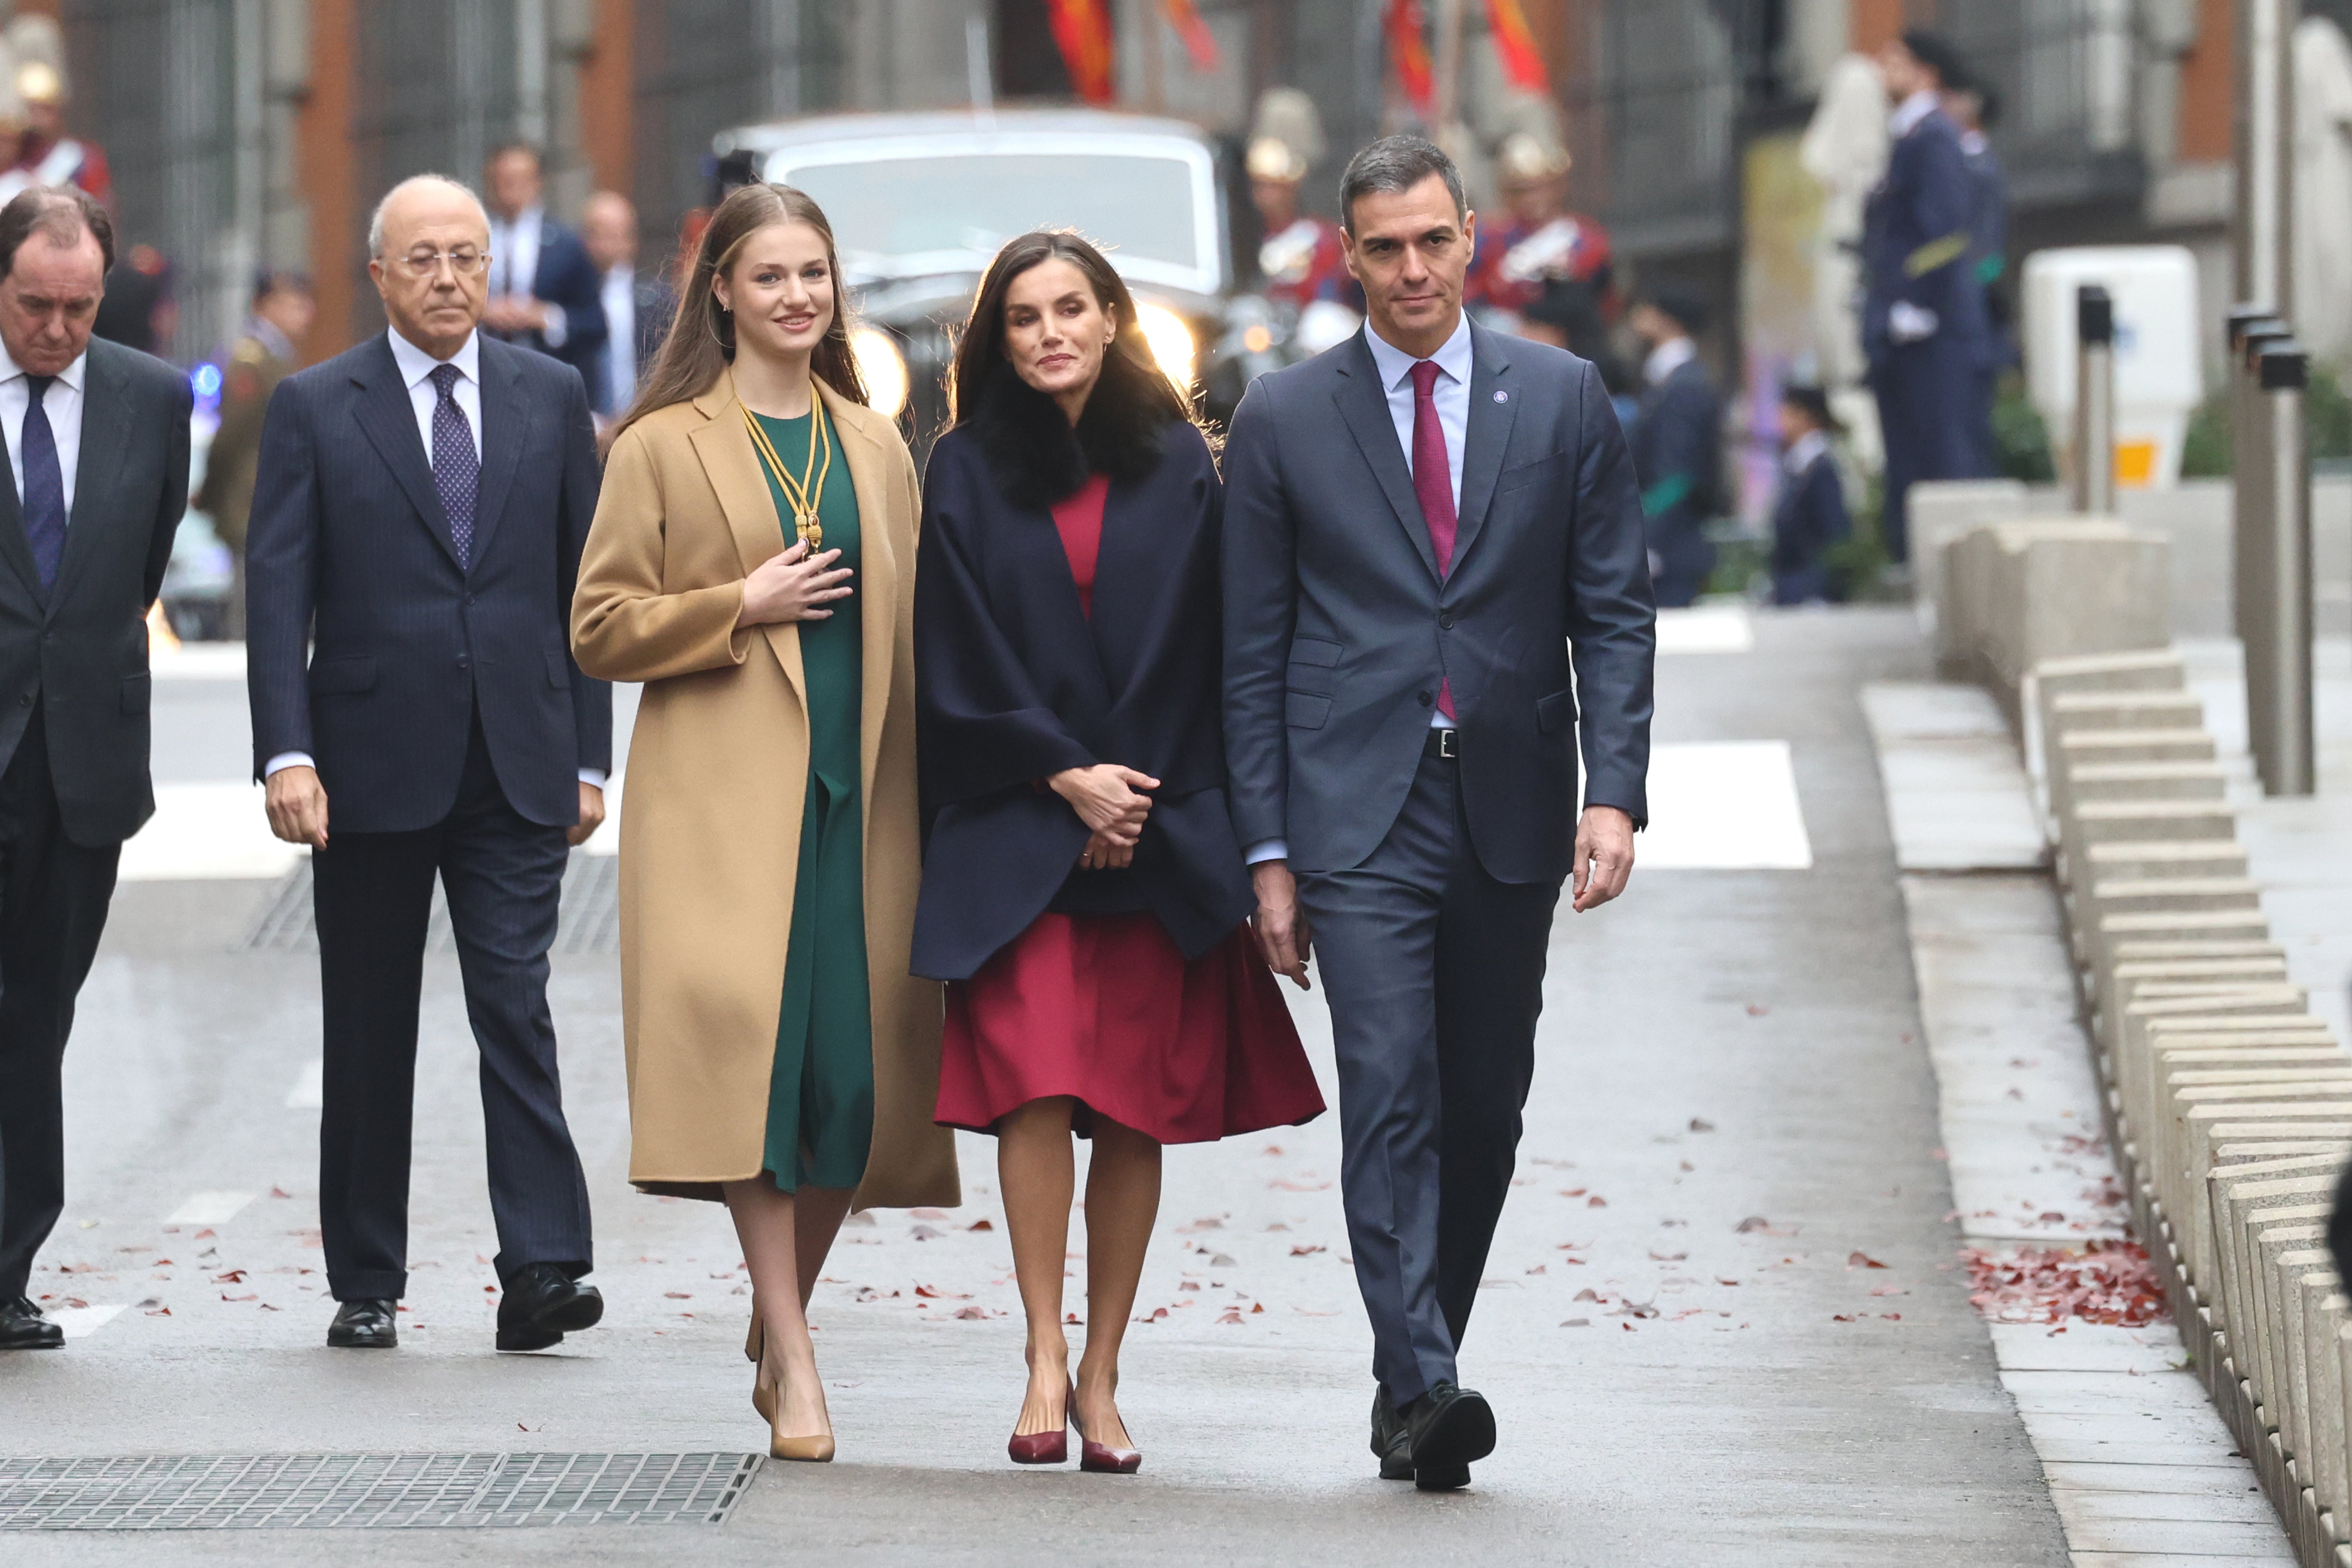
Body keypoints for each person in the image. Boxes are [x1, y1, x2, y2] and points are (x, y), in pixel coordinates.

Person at [1223, 136, 1654, 1491]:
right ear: (1346, 257)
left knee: (1485, 1106)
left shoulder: (1566, 395)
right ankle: (1424, 1379)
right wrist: (1269, 855)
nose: (1412, 269)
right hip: (1355, 814)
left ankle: (1412, 1374)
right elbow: (1251, 650)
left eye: (1432, 241)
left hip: (1513, 805)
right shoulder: (1288, 415)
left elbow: (1614, 611)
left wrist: (1616, 793)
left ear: (1470, 238)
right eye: (1384, 247)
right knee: (1392, 1091)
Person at [914, 231, 1325, 1474]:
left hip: (1156, 824)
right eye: (1025, 315)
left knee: (1134, 1108)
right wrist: (1063, 779)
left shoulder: (1184, 467)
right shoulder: (965, 468)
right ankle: (1041, 1348)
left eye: (1071, 310)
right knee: (1036, 1090)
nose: (1049, 333)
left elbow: (1216, 650)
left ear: (1111, 321)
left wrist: (1128, 798)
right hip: (1019, 818)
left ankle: (1102, 1372)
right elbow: (954, 651)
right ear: (1002, 337)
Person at [571, 182, 956, 1464]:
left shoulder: (876, 443)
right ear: (721, 291)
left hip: (865, 800)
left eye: (817, 274)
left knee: (856, 1086)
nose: (800, 296)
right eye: (773, 275)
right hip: (724, 816)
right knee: (753, 1068)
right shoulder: (662, 445)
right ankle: (791, 1350)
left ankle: (776, 1303)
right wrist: (738, 600)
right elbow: (599, 624)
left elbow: (920, 631)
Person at [245, 174, 612, 1356]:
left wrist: (591, 760)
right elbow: (277, 594)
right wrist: (287, 753)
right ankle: (366, 1276)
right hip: (364, 767)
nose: (451, 277)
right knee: (368, 1020)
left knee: (516, 1004)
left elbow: (583, 592)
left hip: (518, 760)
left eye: (466, 256)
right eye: (425, 259)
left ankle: (544, 1267)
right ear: (381, 274)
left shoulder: (551, 397)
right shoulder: (315, 406)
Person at [0, 187, 190, 1351]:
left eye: (78, 308)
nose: (56, 329)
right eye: (33, 305)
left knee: (38, 1014)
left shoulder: (152, 399)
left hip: (83, 761)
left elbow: (144, 559)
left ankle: (8, 1263)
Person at [1863, 30, 1992, 567]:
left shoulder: (1932, 136)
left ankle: (1953, 568)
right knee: (1912, 453)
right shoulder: (1910, 136)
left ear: (1925, 74)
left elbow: (1944, 232)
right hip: (1909, 328)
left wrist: (1916, 302)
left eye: (1896, 61)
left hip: (1933, 329)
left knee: (1941, 454)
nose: (1883, 70)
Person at [194, 270, 313, 640]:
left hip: (273, 503)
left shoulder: (277, 358)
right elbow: (229, 438)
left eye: (305, 305)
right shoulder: (251, 362)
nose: (303, 314)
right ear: (262, 306)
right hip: (251, 502)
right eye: (290, 304)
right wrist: (212, 496)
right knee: (248, 615)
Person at [1467, 130, 1616, 371]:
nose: (1532, 199)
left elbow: (1605, 305)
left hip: (1574, 354)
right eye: (1521, 191)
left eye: (1539, 188)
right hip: (1504, 351)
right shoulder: (1486, 238)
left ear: (1557, 188)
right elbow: (1468, 300)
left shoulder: (1587, 239)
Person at [479, 142, 606, 386]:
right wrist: (482, 312)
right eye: (502, 180)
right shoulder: (473, 240)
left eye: (518, 179)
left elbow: (595, 324)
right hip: (486, 372)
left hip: (545, 374)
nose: (509, 188)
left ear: (537, 182)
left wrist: (544, 317)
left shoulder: (566, 246)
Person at [1627, 285, 1722, 609]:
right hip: (1668, 544)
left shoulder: (1684, 384)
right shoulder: (1666, 378)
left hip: (1671, 548)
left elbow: (1677, 475)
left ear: (1666, 319)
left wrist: (1652, 543)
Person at [1945, 77, 2011, 475]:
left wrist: (1971, 286)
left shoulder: (1979, 167)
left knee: (1968, 431)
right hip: (1965, 316)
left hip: (1971, 322)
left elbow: (1988, 254)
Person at [580, 191, 675, 422]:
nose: (605, 245)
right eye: (597, 234)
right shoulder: (570, 299)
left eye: (615, 234)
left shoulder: (660, 300)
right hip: (586, 424)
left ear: (632, 240)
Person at [1769, 385, 1850, 606]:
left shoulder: (1820, 468)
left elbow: (1833, 531)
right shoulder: (1797, 463)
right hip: (1791, 583)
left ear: (1804, 417)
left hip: (1810, 587)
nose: (1780, 421)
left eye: (1786, 413)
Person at [0, 59, 110, 210]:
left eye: (45, 109)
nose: (36, 118)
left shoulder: (79, 159)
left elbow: (98, 213)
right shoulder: (10, 159)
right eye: (31, 109)